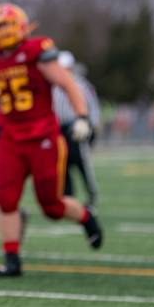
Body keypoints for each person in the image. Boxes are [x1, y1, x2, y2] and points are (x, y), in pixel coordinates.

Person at [0, 4, 103, 277]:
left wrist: (83, 117)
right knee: (6, 199)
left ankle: (86, 217)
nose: (2, 32)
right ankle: (11, 259)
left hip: (43, 137)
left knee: (51, 206)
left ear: (21, 26)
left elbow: (67, 84)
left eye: (5, 26)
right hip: (11, 139)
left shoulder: (37, 51)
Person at [52, 51, 101, 206]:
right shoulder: (52, 85)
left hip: (77, 126)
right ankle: (68, 196)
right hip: (59, 128)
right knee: (62, 162)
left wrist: (90, 125)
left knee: (82, 162)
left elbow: (92, 107)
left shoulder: (81, 85)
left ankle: (91, 193)